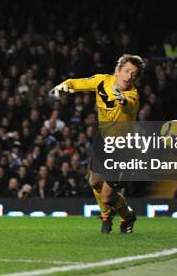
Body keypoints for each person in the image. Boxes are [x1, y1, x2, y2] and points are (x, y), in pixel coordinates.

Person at [51, 54, 143, 234]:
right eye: (126, 71)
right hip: (103, 139)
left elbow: (129, 105)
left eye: (134, 74)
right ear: (117, 70)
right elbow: (80, 83)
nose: (129, 77)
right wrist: (65, 85)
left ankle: (127, 217)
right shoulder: (102, 81)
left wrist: (121, 99)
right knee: (94, 181)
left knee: (108, 196)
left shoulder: (132, 95)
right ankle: (106, 216)